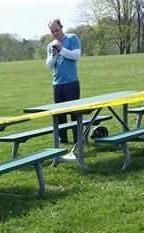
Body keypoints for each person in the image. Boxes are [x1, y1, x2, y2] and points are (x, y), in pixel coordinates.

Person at [45, 18, 81, 146]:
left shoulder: (72, 38)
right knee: (60, 114)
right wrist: (54, 54)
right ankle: (63, 139)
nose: (55, 33)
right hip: (57, 84)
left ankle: (78, 139)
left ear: (62, 27)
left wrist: (62, 50)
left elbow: (76, 56)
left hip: (71, 82)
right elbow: (49, 65)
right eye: (52, 31)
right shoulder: (51, 45)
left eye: (57, 30)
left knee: (74, 113)